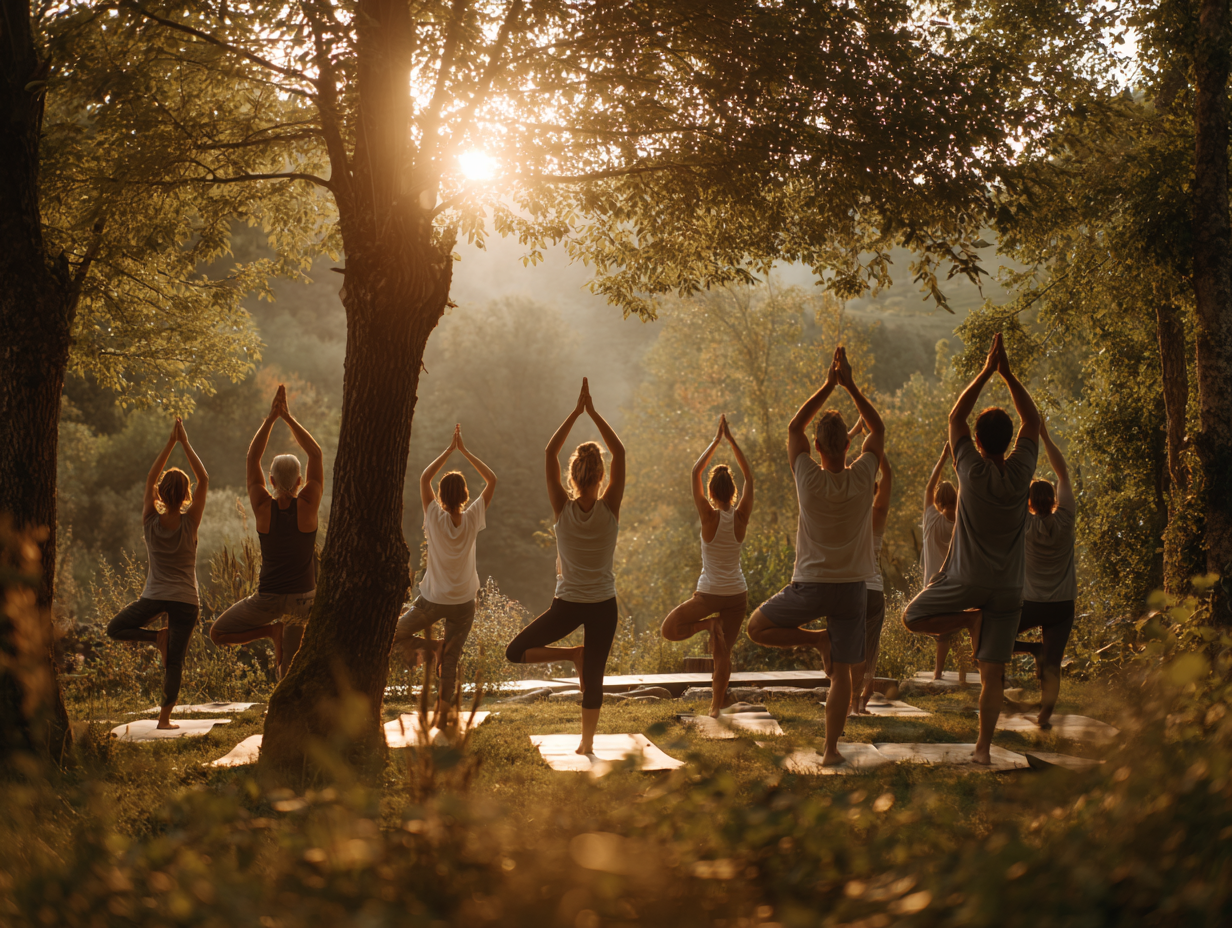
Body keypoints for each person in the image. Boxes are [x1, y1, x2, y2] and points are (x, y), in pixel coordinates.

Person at [902, 333, 1040, 765]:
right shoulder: (1021, 473)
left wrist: (987, 370)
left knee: (913, 616)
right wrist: (1010, 375)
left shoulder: (970, 471)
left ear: (978, 444)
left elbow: (955, 416)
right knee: (992, 673)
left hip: (965, 584)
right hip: (1007, 588)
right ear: (1009, 441)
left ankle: (967, 620)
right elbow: (1033, 423)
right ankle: (982, 749)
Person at [747, 347, 884, 767]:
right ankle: (829, 750)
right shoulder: (863, 476)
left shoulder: (806, 476)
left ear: (819, 448)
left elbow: (794, 427)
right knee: (841, 674)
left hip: (810, 587)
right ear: (847, 444)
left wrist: (828, 384)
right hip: (851, 590)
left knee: (756, 627)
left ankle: (814, 640)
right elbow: (877, 428)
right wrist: (851, 385)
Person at [506, 378, 625, 755]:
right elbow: (619, 453)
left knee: (516, 652)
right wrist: (594, 413)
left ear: (571, 476)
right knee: (594, 677)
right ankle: (585, 744)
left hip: (569, 604)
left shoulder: (562, 508)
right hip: (603, 605)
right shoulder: (610, 508)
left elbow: (548, 452)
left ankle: (570, 655)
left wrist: (576, 413)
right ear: (602, 477)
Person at [210, 385, 323, 678]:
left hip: (269, 598)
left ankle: (270, 631)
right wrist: (288, 417)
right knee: (291, 656)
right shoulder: (308, 504)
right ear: (300, 481)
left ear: (270, 479)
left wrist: (271, 419)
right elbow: (316, 454)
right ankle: (286, 706)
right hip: (304, 600)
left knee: (218, 633)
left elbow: (252, 459)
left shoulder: (262, 506)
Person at [106, 417, 209, 729]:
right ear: (187, 495)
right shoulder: (191, 522)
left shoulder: (150, 520)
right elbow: (203, 478)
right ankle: (164, 719)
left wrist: (169, 443)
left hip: (154, 596)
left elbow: (151, 476)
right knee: (174, 662)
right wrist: (185, 443)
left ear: (159, 494)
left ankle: (155, 638)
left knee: (115, 629)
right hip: (186, 600)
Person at [393, 423, 496, 723]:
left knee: (394, 634)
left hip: (434, 599)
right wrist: (465, 451)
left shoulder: (433, 516)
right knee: (450, 658)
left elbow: (425, 476)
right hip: (464, 602)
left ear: (439, 494)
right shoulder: (474, 516)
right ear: (465, 494)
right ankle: (443, 712)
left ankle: (431, 648)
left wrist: (449, 451)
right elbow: (491, 479)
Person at [660, 414, 755, 717]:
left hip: (710, 594)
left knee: (670, 629)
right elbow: (750, 477)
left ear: (712, 493)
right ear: (733, 492)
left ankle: (707, 625)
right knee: (722, 654)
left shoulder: (708, 516)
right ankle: (715, 708)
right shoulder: (740, 518)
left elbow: (694, 473)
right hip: (736, 595)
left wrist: (716, 441)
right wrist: (733, 441)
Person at [1011, 420, 1076, 728]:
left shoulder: (1024, 523)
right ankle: (1045, 717)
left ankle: (1031, 649)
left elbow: (1014, 484)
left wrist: (1026, 443)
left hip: (1032, 602)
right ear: (1054, 500)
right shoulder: (1066, 518)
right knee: (1053, 664)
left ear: (1029, 503)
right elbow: (1062, 473)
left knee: (991, 638)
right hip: (1062, 605)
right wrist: (1046, 437)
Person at [847, 423, 891, 715]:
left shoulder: (846, 511)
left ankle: (850, 702)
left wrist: (851, 436)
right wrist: (875, 449)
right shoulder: (877, 514)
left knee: (850, 647)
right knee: (870, 649)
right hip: (873, 589)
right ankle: (861, 702)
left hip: (850, 587)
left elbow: (835, 469)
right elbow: (888, 475)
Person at [921, 442, 968, 683]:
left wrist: (942, 459)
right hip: (957, 583)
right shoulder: (963, 524)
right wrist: (959, 464)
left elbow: (929, 487)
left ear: (939, 501)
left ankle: (939, 673)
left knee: (943, 630)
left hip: (933, 584)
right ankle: (961, 674)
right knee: (954, 627)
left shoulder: (931, 519)